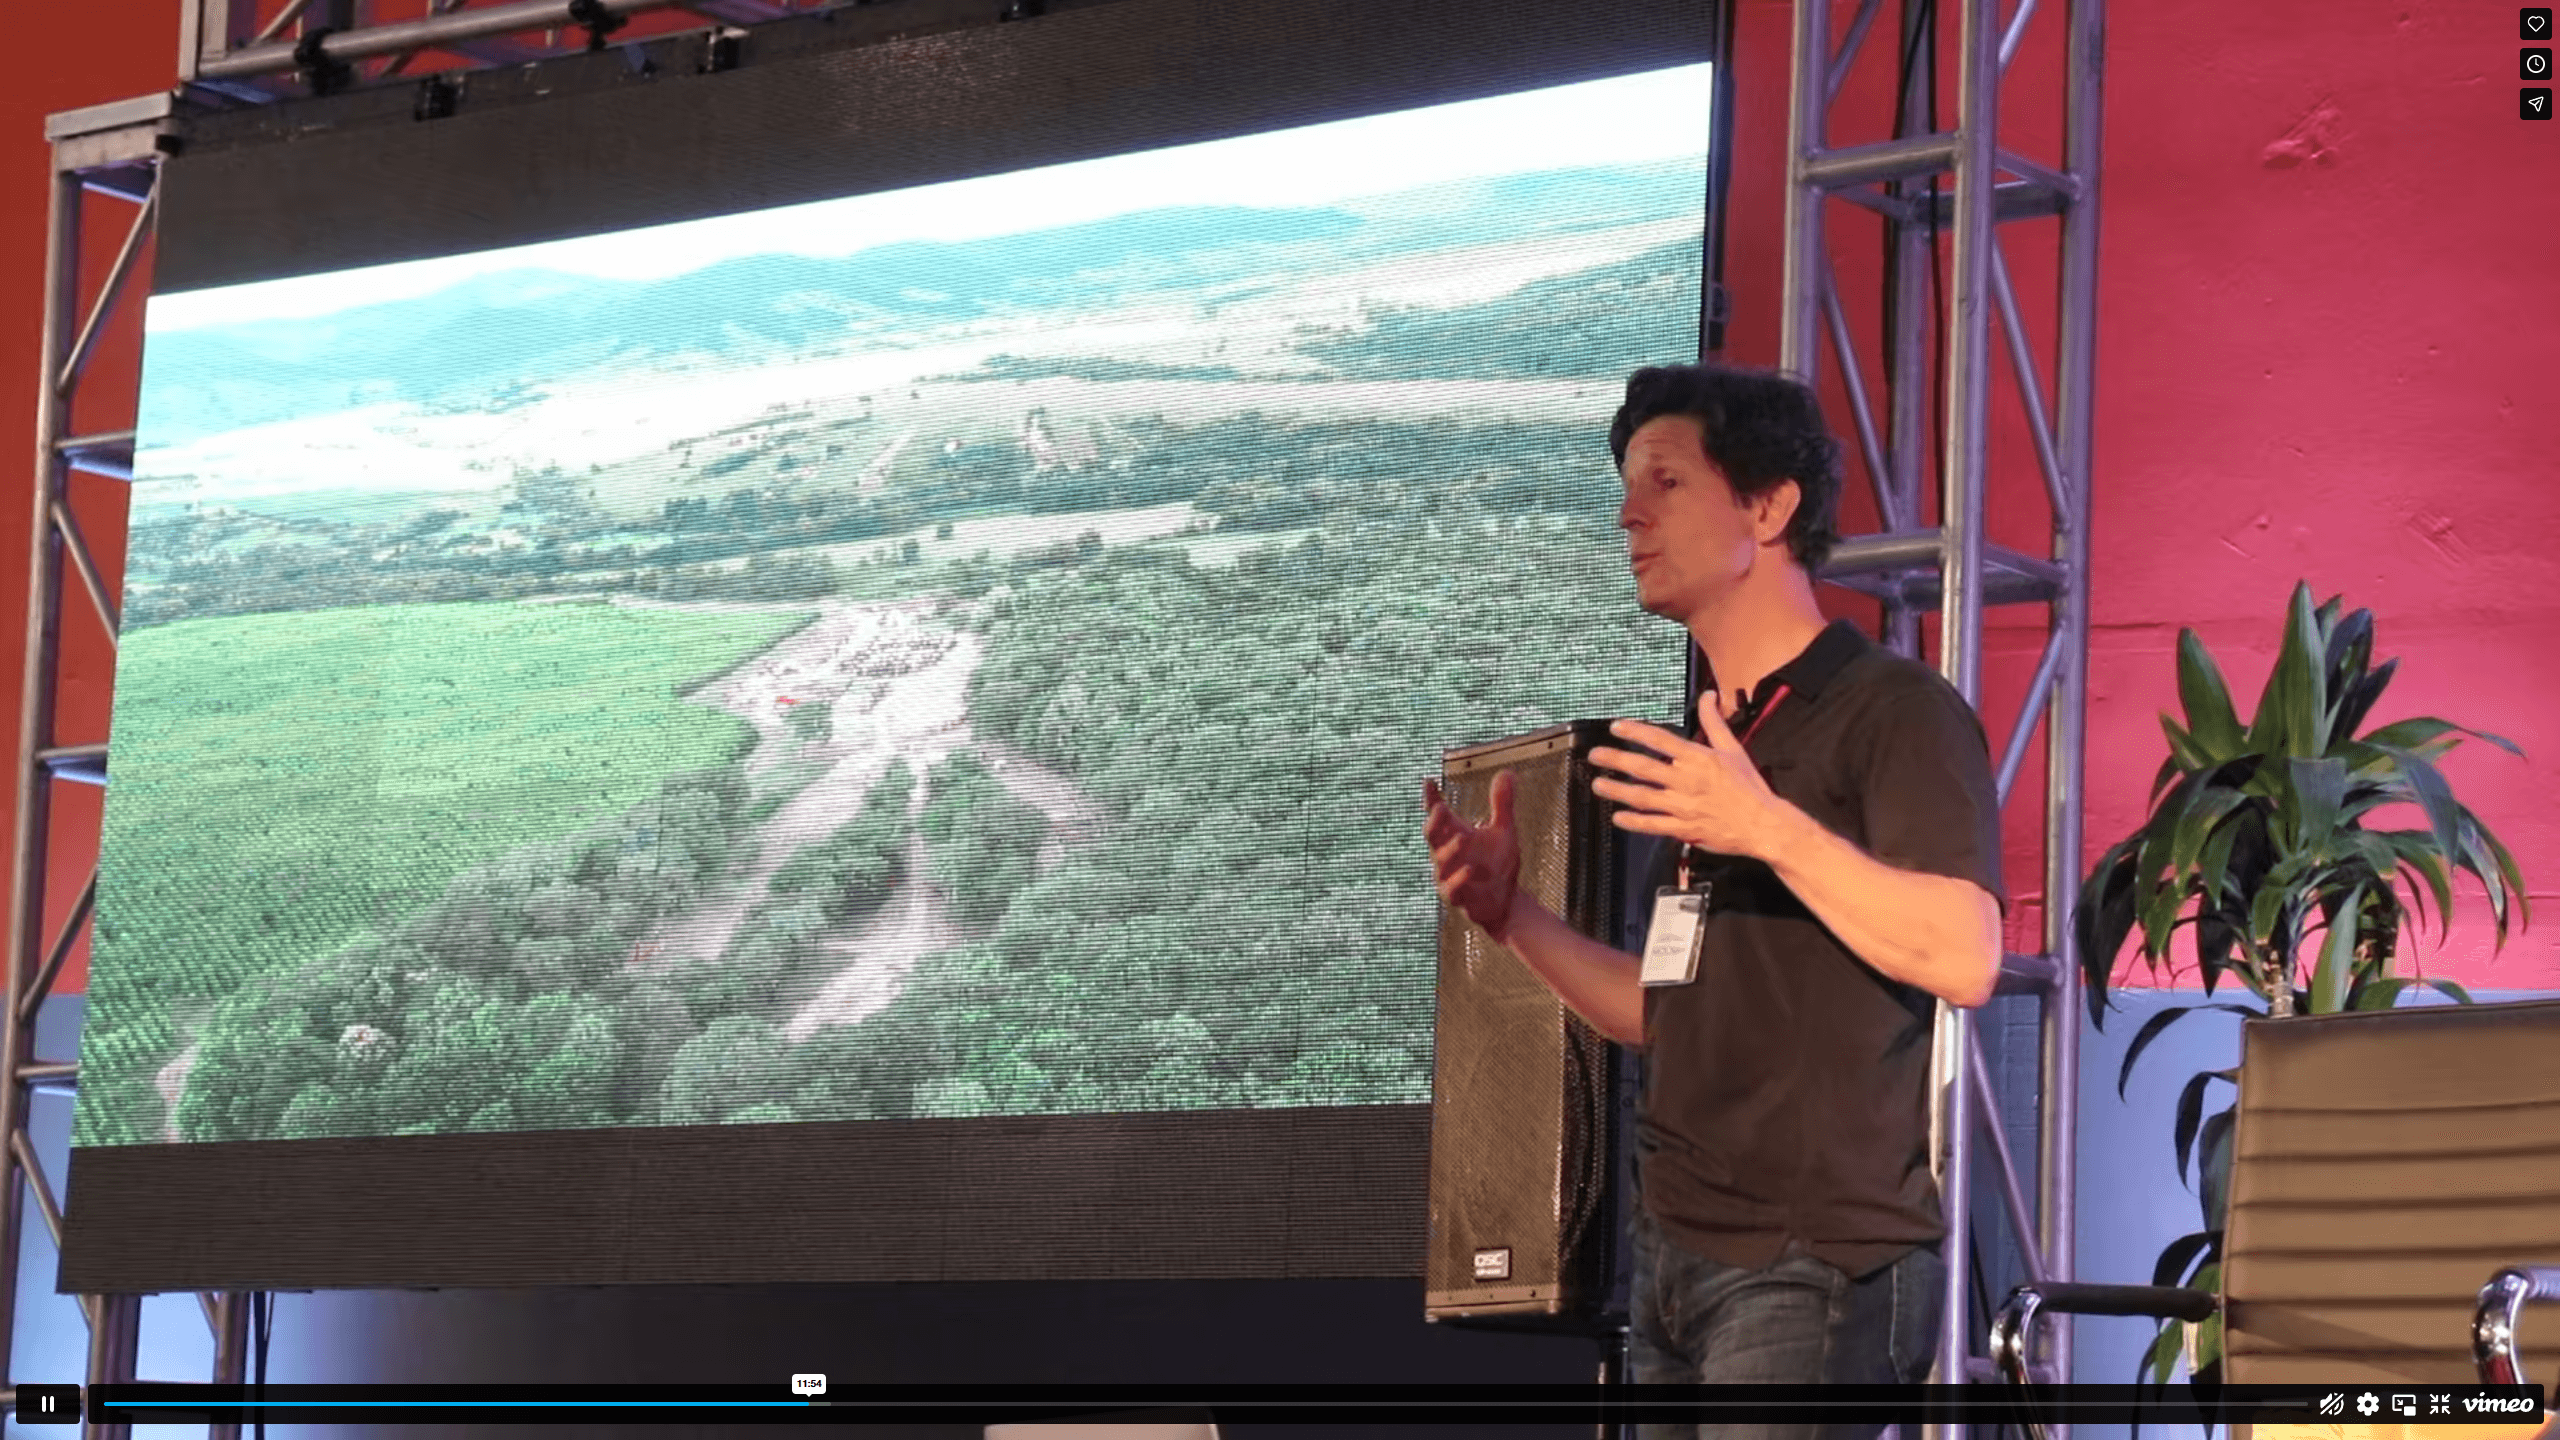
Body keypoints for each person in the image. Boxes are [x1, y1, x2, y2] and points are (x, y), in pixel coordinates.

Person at [1420, 362, 2007, 1434]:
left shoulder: (1892, 711)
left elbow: (1965, 956)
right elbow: (1664, 1010)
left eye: (1667, 482)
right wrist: (1513, 919)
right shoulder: (1716, 745)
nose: (1629, 515)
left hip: (1813, 1258)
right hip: (1674, 1265)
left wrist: (1766, 829)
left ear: (1769, 507)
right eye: (1627, 488)